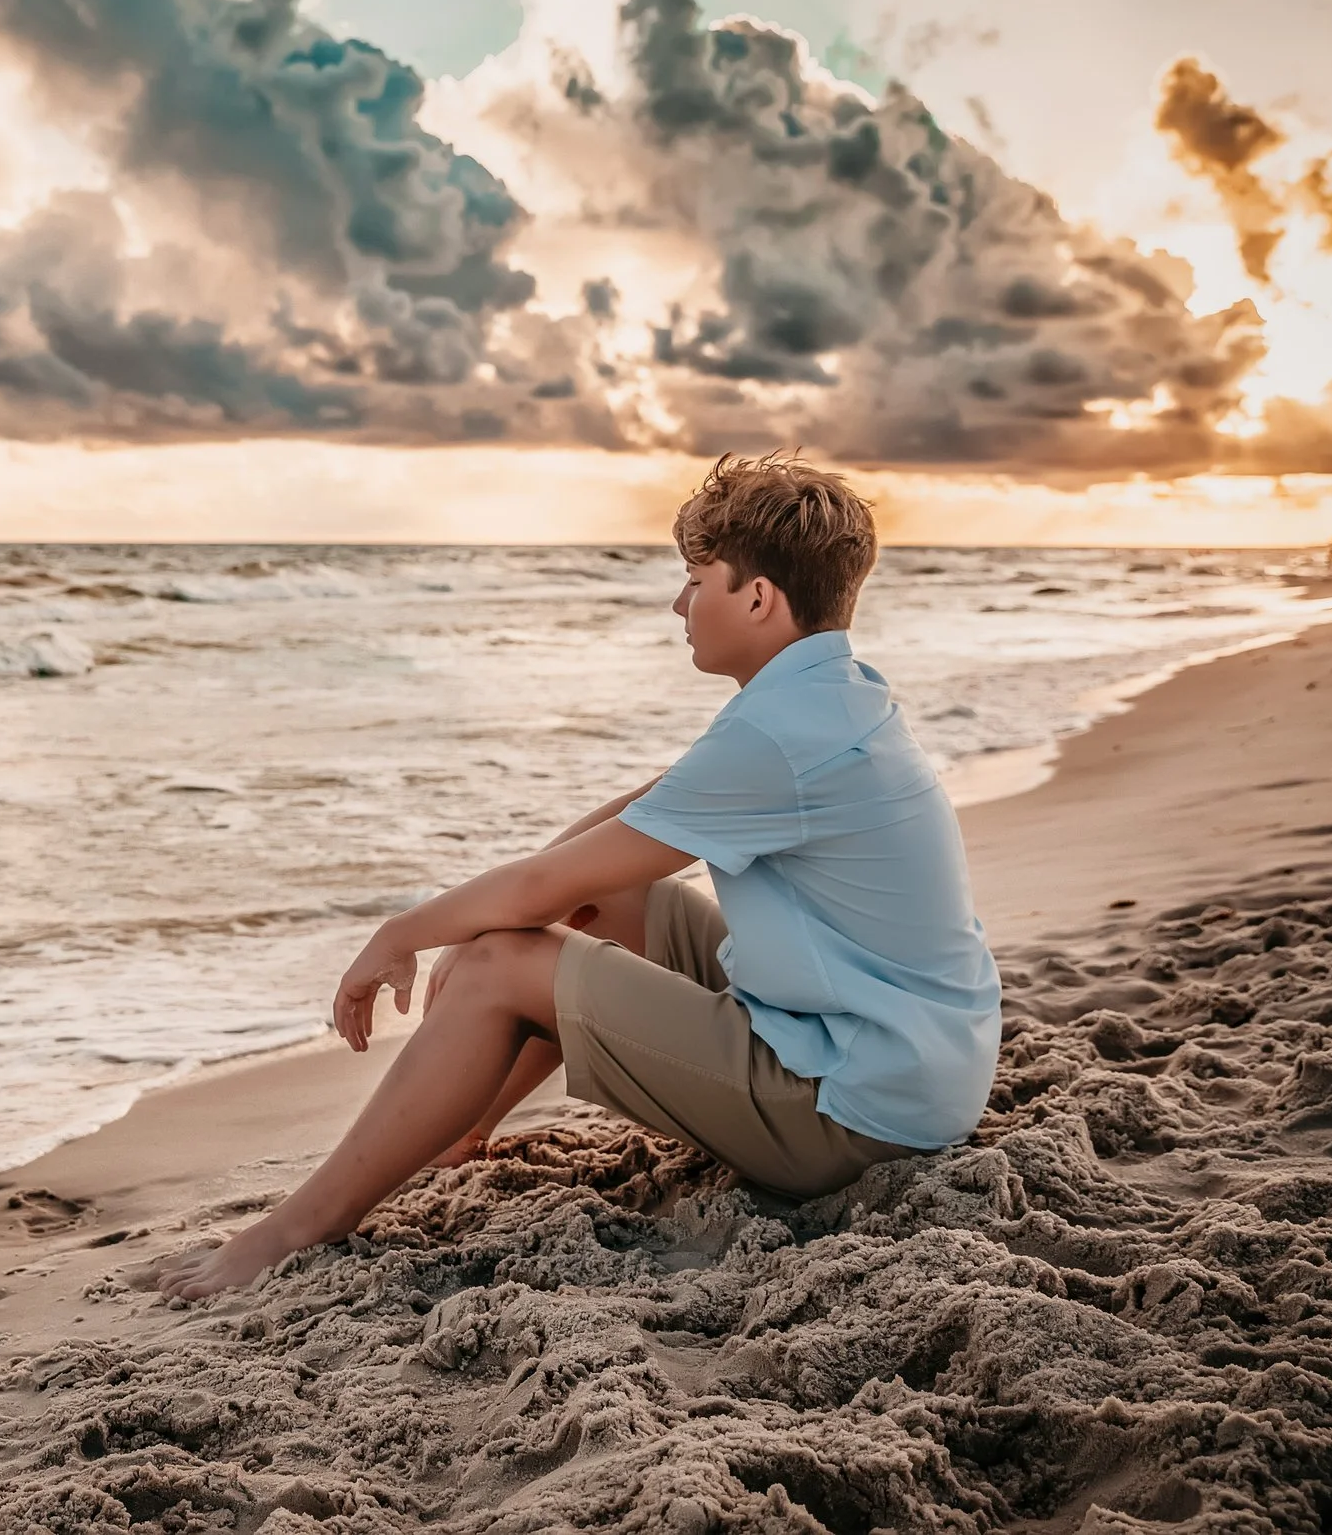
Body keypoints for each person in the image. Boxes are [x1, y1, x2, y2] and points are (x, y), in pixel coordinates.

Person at [155, 451, 1002, 1300]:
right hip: (909, 1066)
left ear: (756, 597)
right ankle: (462, 1121)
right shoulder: (828, 695)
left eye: (695, 578)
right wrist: (522, 909)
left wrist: (404, 933)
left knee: (498, 969)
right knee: (617, 895)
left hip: (853, 1113)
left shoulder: (776, 737)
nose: (679, 602)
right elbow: (623, 827)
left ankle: (296, 1228)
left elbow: (538, 891)